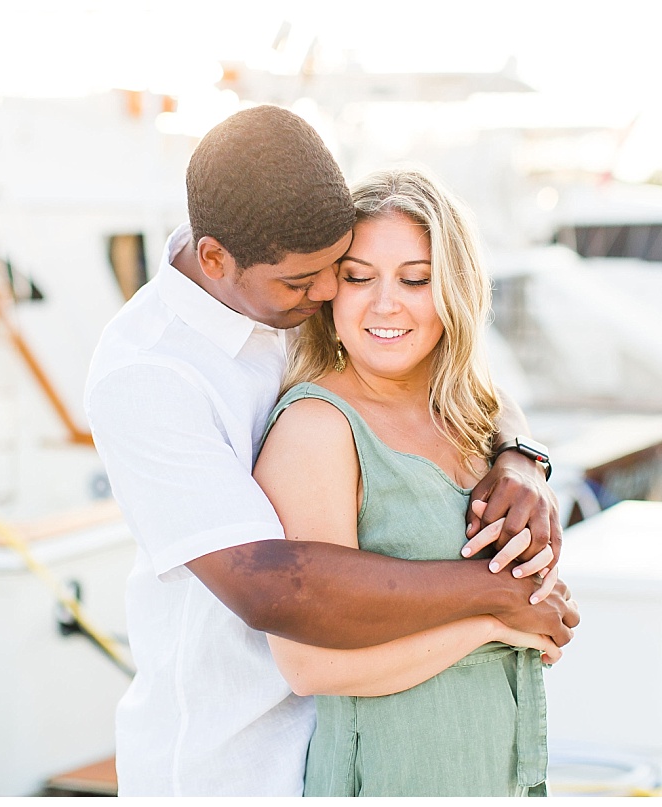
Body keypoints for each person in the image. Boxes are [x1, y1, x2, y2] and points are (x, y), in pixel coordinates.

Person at [84, 105, 579, 797]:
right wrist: (498, 598)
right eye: (310, 282)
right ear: (216, 260)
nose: (327, 296)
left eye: (333, 271)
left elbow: (447, 370)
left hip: (346, 740)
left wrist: (522, 456)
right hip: (228, 763)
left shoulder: (286, 281)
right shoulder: (148, 374)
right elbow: (271, 585)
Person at [254, 166, 555, 797]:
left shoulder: (469, 415)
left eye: (415, 280)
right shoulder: (318, 428)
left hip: (496, 770)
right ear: (331, 290)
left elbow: (497, 403)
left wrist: (522, 457)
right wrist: (495, 624)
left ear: (454, 292)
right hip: (391, 774)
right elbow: (310, 666)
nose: (384, 303)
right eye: (359, 277)